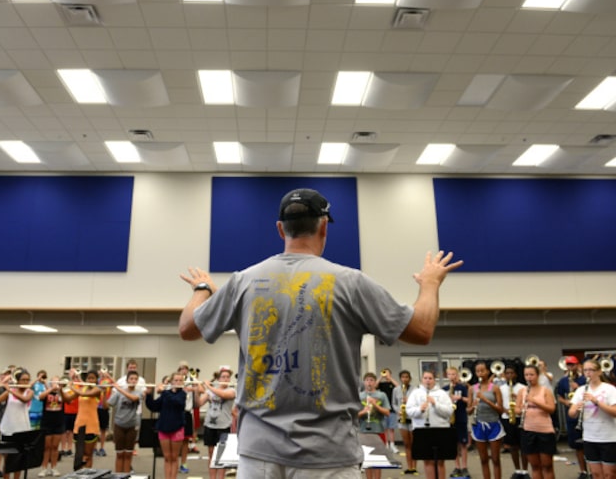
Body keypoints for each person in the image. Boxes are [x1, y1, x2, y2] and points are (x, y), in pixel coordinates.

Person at [178, 187, 462, 476]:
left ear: (280, 229)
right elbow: (422, 330)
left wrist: (202, 289)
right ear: (324, 226)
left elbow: (187, 328)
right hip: (329, 456)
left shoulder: (243, 281)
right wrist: (430, 284)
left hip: (258, 455)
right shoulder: (350, 282)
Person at [568, 359, 616, 479]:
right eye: (585, 370)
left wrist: (596, 401)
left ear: (599, 372)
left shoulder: (609, 389)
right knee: (596, 474)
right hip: (589, 437)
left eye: (591, 370)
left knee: (610, 474)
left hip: (609, 438)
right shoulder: (580, 390)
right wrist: (577, 408)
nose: (588, 373)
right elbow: (571, 413)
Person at [405, 369, 454, 479]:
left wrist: (435, 404)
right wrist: (420, 410)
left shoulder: (442, 393)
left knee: (440, 461)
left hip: (441, 429)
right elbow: (409, 411)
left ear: (434, 380)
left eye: (430, 378)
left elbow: (449, 412)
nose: (428, 381)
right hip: (422, 430)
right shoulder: (415, 393)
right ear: (422, 380)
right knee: (427, 461)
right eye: (425, 378)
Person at [196, 365, 236, 479]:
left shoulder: (232, 390)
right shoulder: (210, 391)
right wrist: (196, 391)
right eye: (223, 377)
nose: (226, 379)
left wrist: (209, 386)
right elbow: (198, 403)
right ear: (219, 379)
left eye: (228, 377)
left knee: (222, 456)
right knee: (211, 454)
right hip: (210, 425)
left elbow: (223, 395)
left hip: (224, 426)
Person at [146, 372, 187, 479]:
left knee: (174, 457)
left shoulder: (182, 394)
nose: (178, 382)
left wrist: (163, 391)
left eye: (180, 380)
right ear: (171, 382)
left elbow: (176, 402)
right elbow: (154, 407)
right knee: (167, 457)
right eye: (176, 380)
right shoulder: (166, 394)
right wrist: (148, 394)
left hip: (177, 428)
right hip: (163, 428)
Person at [468, 360, 504, 479]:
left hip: (493, 424)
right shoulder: (472, 388)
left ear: (488, 371)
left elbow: (500, 409)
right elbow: (468, 411)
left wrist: (485, 399)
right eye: (477, 371)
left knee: (495, 459)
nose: (480, 373)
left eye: (482, 371)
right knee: (483, 460)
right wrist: (472, 406)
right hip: (478, 424)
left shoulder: (494, 388)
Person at [520, 364, 556, 479]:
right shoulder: (522, 391)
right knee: (535, 466)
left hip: (544, 430)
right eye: (526, 375)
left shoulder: (545, 391)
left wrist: (534, 401)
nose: (529, 377)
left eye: (531, 374)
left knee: (547, 465)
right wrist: (520, 409)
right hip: (528, 429)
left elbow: (551, 409)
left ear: (537, 375)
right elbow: (516, 409)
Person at [555, 355, 588, 479]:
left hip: (586, 415)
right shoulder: (563, 381)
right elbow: (559, 397)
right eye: (568, 365)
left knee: (589, 445)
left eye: (572, 364)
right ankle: (583, 471)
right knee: (577, 446)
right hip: (572, 415)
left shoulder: (585, 379)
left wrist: (578, 388)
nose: (570, 367)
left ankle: (593, 470)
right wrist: (567, 403)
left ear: (577, 365)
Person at [0, 369, 34, 479]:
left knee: (19, 461)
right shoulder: (9, 392)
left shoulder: (29, 392)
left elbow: (25, 400)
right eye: (23, 380)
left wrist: (9, 390)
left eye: (27, 380)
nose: (25, 382)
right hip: (8, 429)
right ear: (18, 380)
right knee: (7, 460)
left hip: (22, 430)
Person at [106, 369, 142, 473]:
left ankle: (126, 475)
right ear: (127, 380)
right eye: (131, 378)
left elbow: (134, 398)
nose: (133, 380)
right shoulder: (118, 393)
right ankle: (118, 476)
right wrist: (104, 393)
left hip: (132, 426)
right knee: (120, 454)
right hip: (119, 425)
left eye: (136, 379)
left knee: (128, 454)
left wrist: (118, 389)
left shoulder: (138, 393)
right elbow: (107, 405)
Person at [68, 369, 102, 470]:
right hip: (79, 425)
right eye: (89, 378)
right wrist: (61, 389)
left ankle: (88, 475)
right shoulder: (82, 388)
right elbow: (68, 398)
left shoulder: (97, 389)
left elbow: (85, 394)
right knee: (79, 455)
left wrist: (72, 387)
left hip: (91, 426)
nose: (90, 380)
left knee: (88, 455)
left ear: (96, 380)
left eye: (93, 378)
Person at [359, 372, 391, 479]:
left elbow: (387, 412)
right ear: (364, 382)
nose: (369, 382)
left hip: (379, 430)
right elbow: (354, 415)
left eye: (372, 380)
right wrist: (364, 411)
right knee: (367, 460)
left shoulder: (381, 395)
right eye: (367, 380)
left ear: (375, 382)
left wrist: (375, 405)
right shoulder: (360, 396)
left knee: (378, 459)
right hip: (363, 431)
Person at [500, 366, 528, 478]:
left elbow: (527, 402)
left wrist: (517, 398)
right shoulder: (501, 388)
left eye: (512, 373)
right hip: (507, 418)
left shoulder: (522, 387)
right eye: (507, 373)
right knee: (512, 446)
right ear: (504, 375)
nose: (509, 375)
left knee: (523, 446)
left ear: (516, 374)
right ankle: (517, 470)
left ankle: (525, 470)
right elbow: (499, 403)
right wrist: (505, 410)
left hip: (520, 418)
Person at [38, 375, 67, 477]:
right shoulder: (47, 392)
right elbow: (40, 397)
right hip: (46, 422)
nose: (56, 384)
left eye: (57, 382)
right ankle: (44, 468)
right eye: (53, 382)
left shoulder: (62, 392)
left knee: (55, 447)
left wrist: (61, 389)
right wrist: (50, 388)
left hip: (58, 422)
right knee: (46, 447)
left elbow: (67, 400)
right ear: (50, 383)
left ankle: (54, 467)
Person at [445, 366, 471, 478]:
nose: (452, 376)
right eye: (449, 374)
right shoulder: (444, 388)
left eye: (454, 374)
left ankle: (464, 467)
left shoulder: (463, 387)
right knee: (453, 444)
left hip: (460, 418)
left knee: (463, 444)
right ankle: (457, 467)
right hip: (449, 419)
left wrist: (460, 398)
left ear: (457, 375)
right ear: (447, 376)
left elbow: (469, 400)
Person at [391, 370, 418, 474]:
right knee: (406, 444)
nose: (404, 379)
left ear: (409, 378)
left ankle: (414, 467)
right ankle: (409, 467)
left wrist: (409, 401)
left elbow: (418, 402)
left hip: (412, 419)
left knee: (414, 444)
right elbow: (393, 403)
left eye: (406, 377)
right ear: (400, 378)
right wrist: (398, 410)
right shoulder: (396, 390)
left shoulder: (415, 389)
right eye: (402, 377)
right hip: (402, 419)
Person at [375, 368, 399, 452]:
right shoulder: (382, 384)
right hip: (383, 408)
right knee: (384, 427)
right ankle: (386, 444)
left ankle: (392, 444)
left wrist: (390, 378)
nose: (386, 374)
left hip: (392, 408)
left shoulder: (393, 384)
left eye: (387, 373)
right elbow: (375, 386)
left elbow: (398, 387)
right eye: (385, 373)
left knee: (391, 428)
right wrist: (381, 377)